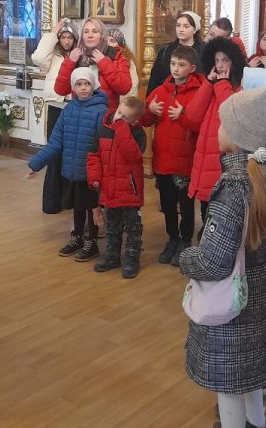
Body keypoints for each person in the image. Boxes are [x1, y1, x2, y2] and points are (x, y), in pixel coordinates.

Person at [180, 87, 266, 428]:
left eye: (221, 124)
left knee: (229, 377)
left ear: (236, 135)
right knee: (250, 365)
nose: (216, 130)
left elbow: (214, 261)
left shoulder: (235, 187)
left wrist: (186, 259)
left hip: (234, 295)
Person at [26, 67, 107, 262]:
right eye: (79, 84)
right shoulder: (68, 110)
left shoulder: (101, 110)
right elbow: (56, 141)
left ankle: (92, 241)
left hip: (90, 171)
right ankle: (77, 237)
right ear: (73, 87)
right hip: (72, 168)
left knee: (90, 206)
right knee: (77, 205)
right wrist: (35, 164)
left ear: (93, 85)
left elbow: (104, 144)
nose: (83, 88)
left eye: (87, 84)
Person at [141, 45, 203, 265]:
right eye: (173, 64)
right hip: (164, 158)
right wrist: (149, 111)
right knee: (167, 203)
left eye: (181, 65)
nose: (176, 69)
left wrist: (183, 115)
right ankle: (172, 238)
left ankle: (185, 240)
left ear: (192, 68)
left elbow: (201, 124)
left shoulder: (199, 93)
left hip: (185, 160)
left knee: (185, 205)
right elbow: (144, 120)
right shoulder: (161, 90)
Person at [185, 37, 245, 225]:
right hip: (205, 160)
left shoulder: (241, 89)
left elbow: (230, 113)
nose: (219, 65)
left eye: (225, 60)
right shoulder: (213, 84)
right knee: (206, 214)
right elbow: (191, 117)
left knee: (220, 218)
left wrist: (221, 84)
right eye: (217, 60)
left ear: (234, 62)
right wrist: (208, 84)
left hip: (223, 163)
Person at [88, 97, 147, 279]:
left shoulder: (138, 133)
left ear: (134, 121)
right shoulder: (102, 129)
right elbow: (94, 156)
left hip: (129, 191)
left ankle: (132, 259)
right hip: (110, 189)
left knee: (132, 228)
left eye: (125, 117)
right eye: (119, 113)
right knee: (112, 225)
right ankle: (112, 256)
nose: (119, 118)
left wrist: (121, 128)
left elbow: (132, 154)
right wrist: (94, 177)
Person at [31, 18, 79, 213]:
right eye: (63, 37)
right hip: (56, 105)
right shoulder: (53, 55)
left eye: (70, 38)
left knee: (72, 153)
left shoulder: (79, 55)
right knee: (55, 152)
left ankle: (69, 199)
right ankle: (52, 201)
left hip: (73, 105)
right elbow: (38, 58)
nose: (66, 41)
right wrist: (51, 34)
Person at [54, 17, 131, 112]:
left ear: (102, 35)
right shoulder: (76, 55)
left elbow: (124, 88)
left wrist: (103, 62)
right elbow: (60, 90)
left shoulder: (115, 56)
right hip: (81, 115)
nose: (90, 35)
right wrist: (70, 62)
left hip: (105, 116)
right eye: (86, 32)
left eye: (95, 31)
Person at [147, 11, 204, 95]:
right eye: (178, 25)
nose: (181, 30)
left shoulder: (204, 52)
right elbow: (155, 79)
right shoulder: (166, 51)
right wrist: (150, 100)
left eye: (186, 26)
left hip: (194, 96)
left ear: (195, 30)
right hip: (167, 96)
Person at [106, 26, 139, 97]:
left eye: (112, 41)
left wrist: (122, 102)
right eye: (105, 41)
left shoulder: (127, 60)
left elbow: (133, 84)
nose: (108, 44)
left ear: (120, 44)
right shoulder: (101, 57)